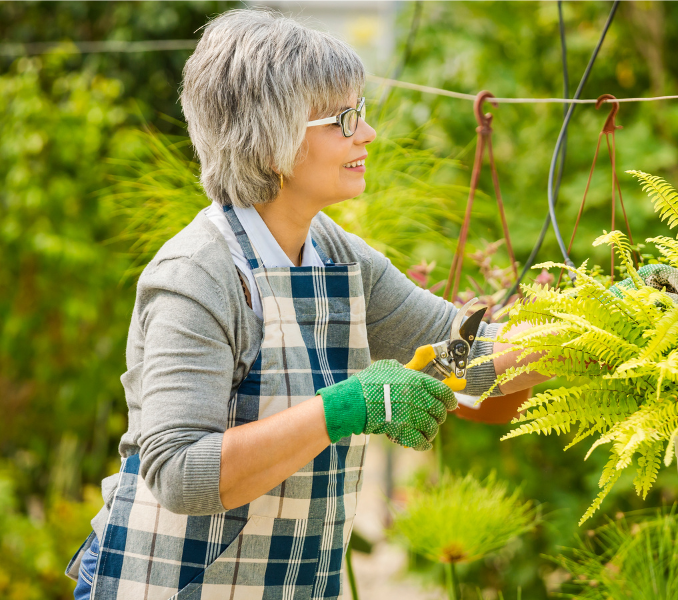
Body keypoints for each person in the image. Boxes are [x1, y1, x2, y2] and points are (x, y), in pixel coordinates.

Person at [65, 9, 543, 600]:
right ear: (271, 140)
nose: (366, 134)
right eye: (344, 119)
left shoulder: (340, 256)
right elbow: (181, 473)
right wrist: (345, 408)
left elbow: (469, 360)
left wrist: (607, 325)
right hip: (162, 585)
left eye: (360, 113)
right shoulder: (197, 275)